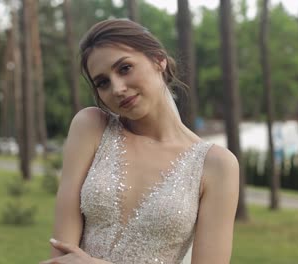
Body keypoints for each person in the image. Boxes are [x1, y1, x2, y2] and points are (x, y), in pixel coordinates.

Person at [40, 19, 239, 264]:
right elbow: (61, 256)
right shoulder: (91, 127)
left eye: (124, 68)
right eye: (103, 82)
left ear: (158, 59)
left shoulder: (216, 165)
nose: (117, 88)